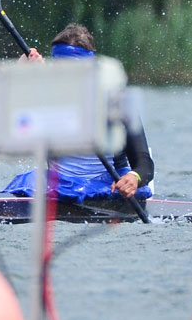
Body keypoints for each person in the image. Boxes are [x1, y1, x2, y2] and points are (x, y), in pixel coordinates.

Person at [12, 23, 154, 199]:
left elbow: (145, 164)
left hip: (107, 186)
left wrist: (134, 177)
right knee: (30, 179)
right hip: (61, 186)